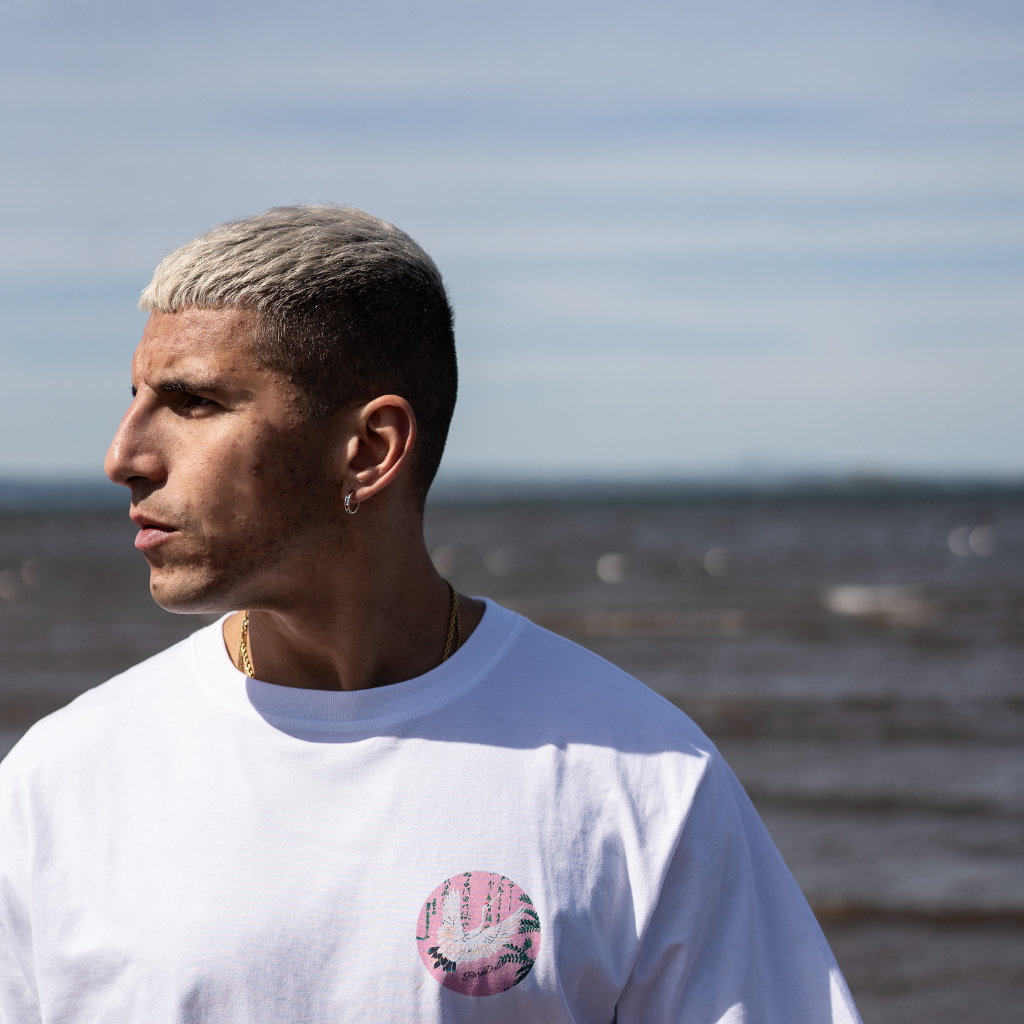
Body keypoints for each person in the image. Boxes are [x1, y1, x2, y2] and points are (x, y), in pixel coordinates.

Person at [0, 206, 861, 1023]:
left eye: (192, 403)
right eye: (136, 397)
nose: (123, 456)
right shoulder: (64, 781)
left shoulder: (638, 779)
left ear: (369, 449)